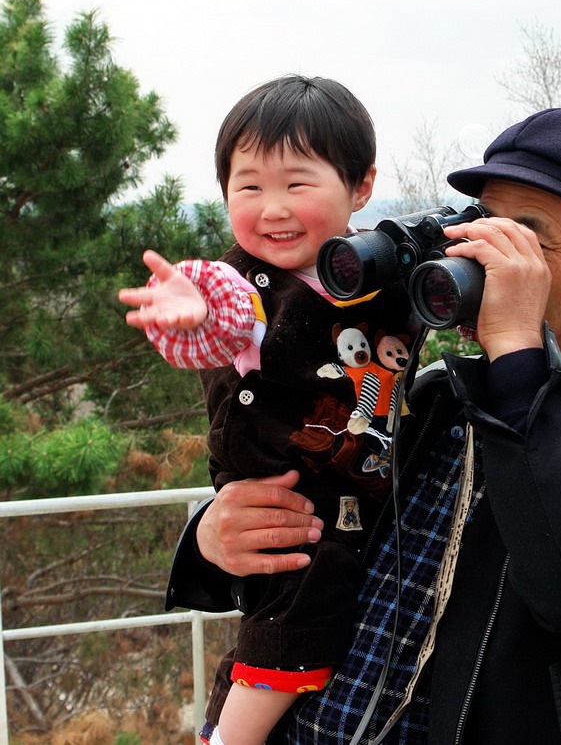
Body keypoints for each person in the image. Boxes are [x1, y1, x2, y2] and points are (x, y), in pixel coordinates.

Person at [168, 107, 561, 744]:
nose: (488, 258)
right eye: (483, 228)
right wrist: (213, 538)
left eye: (528, 239)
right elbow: (316, 491)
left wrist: (518, 351)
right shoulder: (439, 393)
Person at [118, 75, 415, 745]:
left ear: (360, 187)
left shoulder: (380, 271)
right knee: (295, 613)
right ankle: (229, 738)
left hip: (356, 483)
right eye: (248, 186)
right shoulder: (240, 281)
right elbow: (226, 319)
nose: (272, 208)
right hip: (280, 485)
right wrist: (192, 312)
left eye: (296, 184)